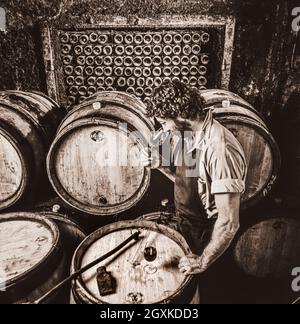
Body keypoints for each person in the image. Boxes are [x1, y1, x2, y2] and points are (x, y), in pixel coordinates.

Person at [143, 80, 247, 275]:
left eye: (165, 123)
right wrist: (162, 167)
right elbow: (190, 184)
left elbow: (229, 222)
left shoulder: (219, 149)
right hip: (187, 223)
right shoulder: (189, 135)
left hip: (207, 232)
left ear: (181, 115)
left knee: (205, 286)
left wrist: (202, 261)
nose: (164, 130)